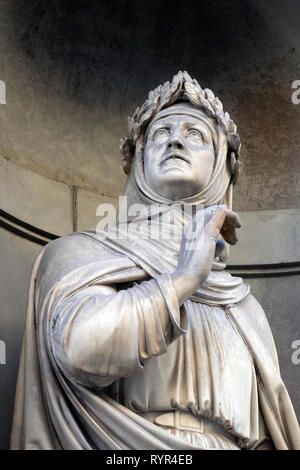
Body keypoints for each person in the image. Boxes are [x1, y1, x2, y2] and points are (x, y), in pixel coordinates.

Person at [10, 71, 300, 450]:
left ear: (219, 165)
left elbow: (266, 436)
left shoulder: (243, 307)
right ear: (140, 156)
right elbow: (78, 351)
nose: (176, 139)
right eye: (161, 133)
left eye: (194, 134)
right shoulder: (80, 253)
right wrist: (182, 280)